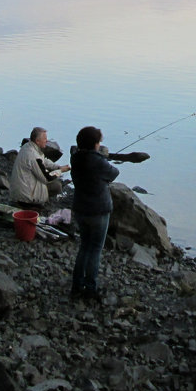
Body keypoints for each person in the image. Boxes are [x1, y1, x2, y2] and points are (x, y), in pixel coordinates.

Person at [70, 125, 119, 301]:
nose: (100, 144)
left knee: (84, 246)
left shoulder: (75, 158)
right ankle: (90, 288)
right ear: (94, 144)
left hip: (80, 209)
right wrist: (103, 157)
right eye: (98, 142)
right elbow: (114, 173)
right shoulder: (97, 161)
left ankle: (76, 285)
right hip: (98, 211)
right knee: (95, 249)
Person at [9, 127, 70, 206]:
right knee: (57, 186)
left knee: (47, 178)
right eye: (44, 138)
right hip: (24, 196)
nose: (47, 141)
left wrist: (58, 167)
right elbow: (47, 178)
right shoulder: (33, 156)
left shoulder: (27, 146)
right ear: (37, 141)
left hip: (18, 191)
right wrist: (61, 171)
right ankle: (33, 203)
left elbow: (43, 160)